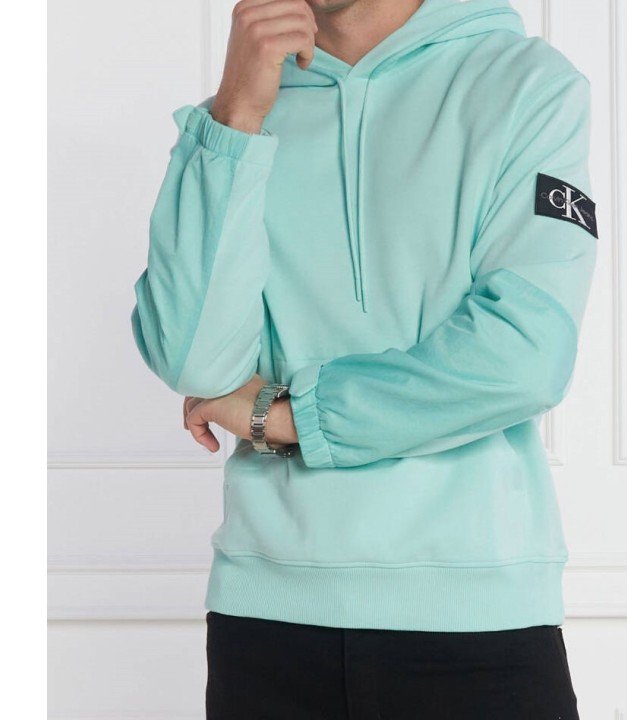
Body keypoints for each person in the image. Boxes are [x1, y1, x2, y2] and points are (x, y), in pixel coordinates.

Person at [130, 0, 598, 717]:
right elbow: (192, 359)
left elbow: (524, 355)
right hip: (266, 620)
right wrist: (236, 118)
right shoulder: (239, 112)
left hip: (476, 616)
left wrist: (287, 417)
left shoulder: (524, 84)